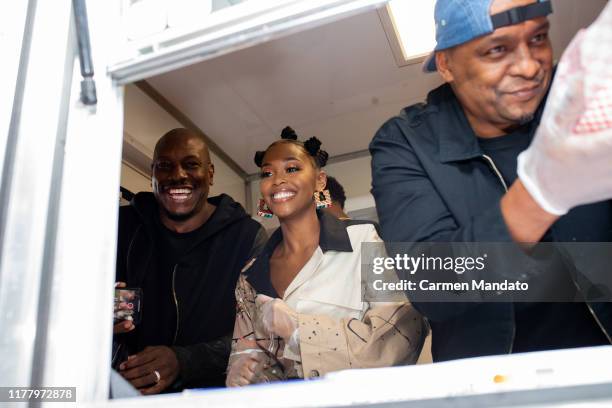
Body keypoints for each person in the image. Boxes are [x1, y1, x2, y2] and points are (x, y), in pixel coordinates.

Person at [370, 0, 612, 362]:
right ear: (446, 64)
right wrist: (542, 191)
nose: (530, 66)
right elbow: (432, 285)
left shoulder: (580, 100)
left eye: (539, 38)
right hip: (500, 385)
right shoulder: (406, 144)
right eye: (497, 49)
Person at [226, 127, 427, 386]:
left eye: (292, 169)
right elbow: (250, 360)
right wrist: (247, 373)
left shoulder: (365, 240)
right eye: (267, 173)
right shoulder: (250, 275)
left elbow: (398, 337)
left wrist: (301, 331)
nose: (277, 180)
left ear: (319, 181)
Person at [113, 128, 267, 393]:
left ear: (210, 173)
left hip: (213, 396)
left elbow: (260, 331)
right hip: (127, 393)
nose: (177, 175)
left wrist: (184, 360)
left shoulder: (246, 236)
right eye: (164, 166)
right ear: (152, 173)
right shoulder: (121, 227)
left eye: (191, 164)